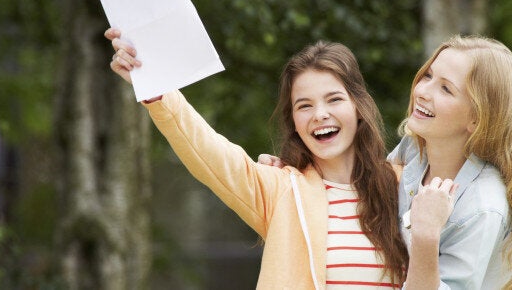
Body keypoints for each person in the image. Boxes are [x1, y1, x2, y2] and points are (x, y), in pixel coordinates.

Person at [105, 28, 457, 289]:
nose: (319, 114)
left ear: (358, 106)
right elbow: (206, 151)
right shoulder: (279, 189)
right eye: (304, 105)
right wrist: (155, 86)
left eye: (333, 99)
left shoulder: (406, 184)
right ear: (294, 122)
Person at [259, 35, 512, 290]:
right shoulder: (414, 149)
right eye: (428, 76)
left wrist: (426, 235)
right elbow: (363, 184)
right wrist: (291, 171)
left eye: (446, 88)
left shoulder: (482, 207)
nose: (423, 91)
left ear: (477, 118)